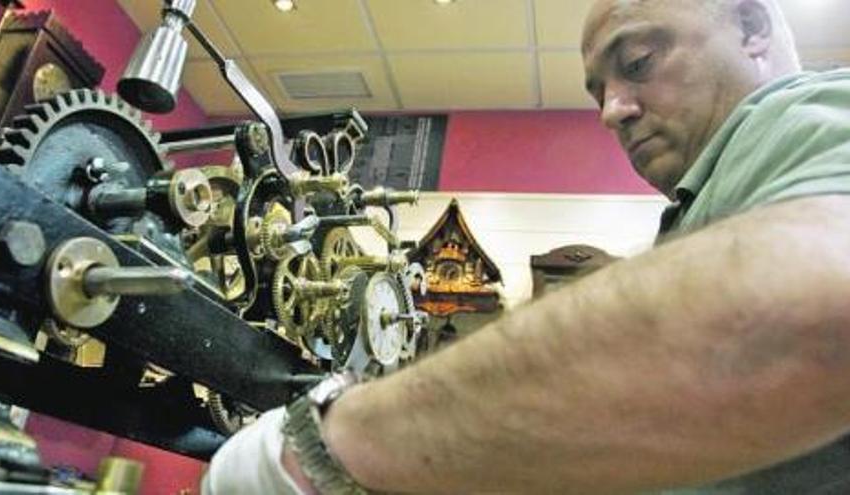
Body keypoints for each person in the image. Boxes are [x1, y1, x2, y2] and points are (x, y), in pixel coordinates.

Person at [203, 0, 850, 493]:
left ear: (752, 27)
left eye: (639, 64)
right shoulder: (718, 201)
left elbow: (798, 317)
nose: (612, 110)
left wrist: (326, 444)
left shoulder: (807, 112)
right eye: (598, 91)